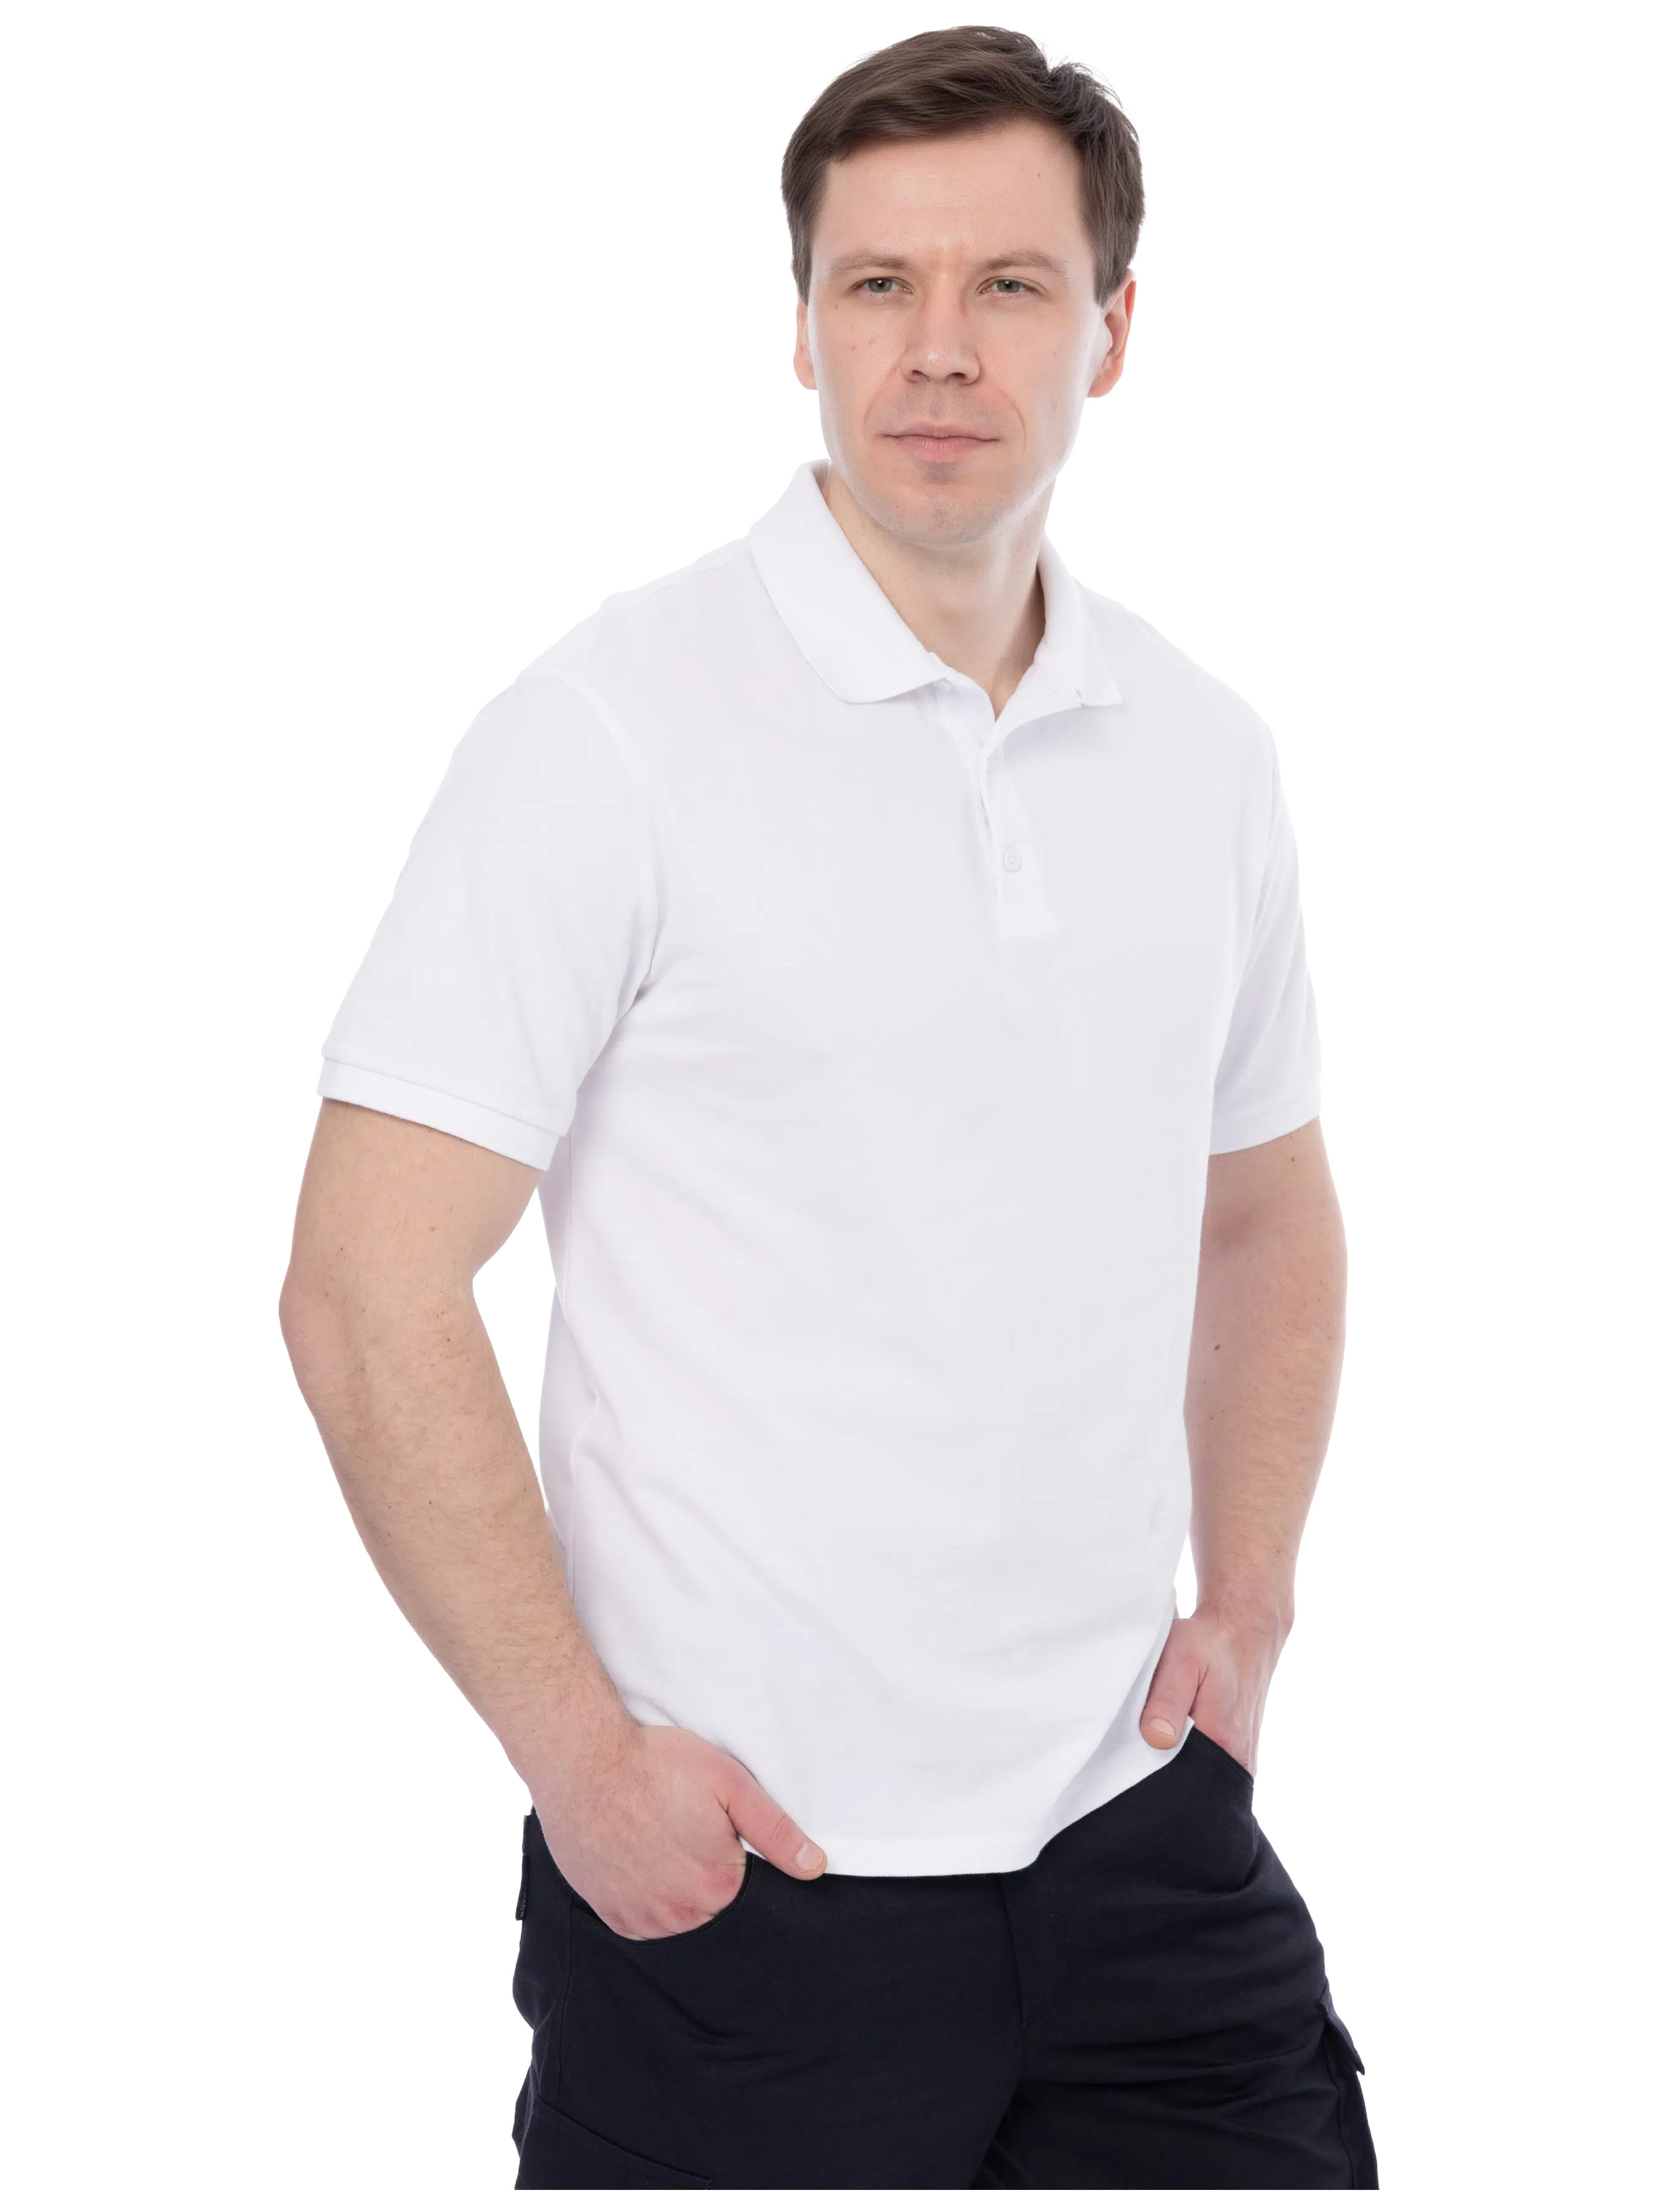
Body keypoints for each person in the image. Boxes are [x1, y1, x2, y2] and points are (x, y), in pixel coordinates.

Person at [279, 21, 1379, 2191]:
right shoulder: (608, 733)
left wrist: (1247, 1600)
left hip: (1138, 1839)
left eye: (1011, 285)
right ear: (804, 329)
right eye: (879, 283)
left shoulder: (1204, 754)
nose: (938, 347)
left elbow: (1265, 1205)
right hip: (741, 1886)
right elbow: (362, 1287)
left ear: (1114, 331)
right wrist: (582, 1768)